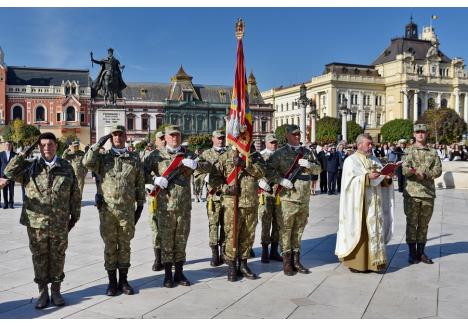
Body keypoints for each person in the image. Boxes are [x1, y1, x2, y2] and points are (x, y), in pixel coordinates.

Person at [0, 133, 81, 309]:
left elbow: (75, 194)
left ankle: (57, 291)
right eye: (42, 145)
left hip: (59, 222)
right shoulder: (29, 166)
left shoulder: (66, 166)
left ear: (56, 146)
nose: (46, 148)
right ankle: (43, 292)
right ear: (38, 147)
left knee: (58, 257)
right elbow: (8, 172)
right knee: (39, 258)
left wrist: (74, 217)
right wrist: (25, 152)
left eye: (50, 144)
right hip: (36, 224)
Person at [145, 125, 211, 287]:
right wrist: (153, 180)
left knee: (181, 239)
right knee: (166, 240)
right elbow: (141, 173)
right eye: (171, 135)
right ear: (165, 138)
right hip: (164, 206)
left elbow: (209, 167)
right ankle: (168, 274)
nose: (175, 138)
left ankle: (180, 273)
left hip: (183, 206)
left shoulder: (188, 154)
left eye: (177, 135)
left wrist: (196, 165)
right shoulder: (155, 155)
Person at [83, 125, 145, 296]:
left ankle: (124, 281)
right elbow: (87, 162)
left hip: (126, 210)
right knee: (110, 246)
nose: (117, 138)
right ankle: (111, 282)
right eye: (114, 135)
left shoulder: (134, 158)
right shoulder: (103, 158)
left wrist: (140, 205)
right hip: (108, 210)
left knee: (125, 245)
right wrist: (97, 145)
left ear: (125, 136)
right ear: (111, 138)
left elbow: (139, 182)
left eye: (120, 135)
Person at [335, 134, 394, 273]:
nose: (371, 146)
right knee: (360, 233)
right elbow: (349, 183)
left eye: (371, 144)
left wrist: (388, 177)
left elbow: (382, 179)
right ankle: (358, 264)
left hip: (375, 203)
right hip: (360, 205)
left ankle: (374, 263)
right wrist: (366, 177)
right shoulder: (351, 160)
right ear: (359, 144)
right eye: (368, 144)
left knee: (374, 233)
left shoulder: (374, 159)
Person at [268, 125, 322, 276]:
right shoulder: (279, 153)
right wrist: (281, 180)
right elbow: (268, 171)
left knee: (299, 230)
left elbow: (319, 169)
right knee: (286, 230)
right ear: (287, 136)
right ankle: (287, 262)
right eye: (295, 134)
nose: (298, 136)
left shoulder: (307, 152)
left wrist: (310, 165)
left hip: (304, 198)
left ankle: (297, 261)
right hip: (287, 199)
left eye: (299, 134)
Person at [210, 141, 266, 282]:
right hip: (231, 204)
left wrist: (245, 165)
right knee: (231, 235)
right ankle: (231, 265)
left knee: (248, 235)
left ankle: (243, 264)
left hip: (251, 203)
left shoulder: (255, 156)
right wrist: (226, 189)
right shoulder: (225, 157)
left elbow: (262, 173)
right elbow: (214, 179)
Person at [402, 124, 442, 264]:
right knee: (412, 223)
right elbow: (404, 169)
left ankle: (421, 253)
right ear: (414, 134)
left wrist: (425, 175)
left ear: (426, 134)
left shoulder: (433, 151)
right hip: (412, 193)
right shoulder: (408, 151)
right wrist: (413, 172)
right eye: (417, 132)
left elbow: (438, 170)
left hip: (428, 193)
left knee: (424, 224)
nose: (420, 135)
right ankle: (412, 253)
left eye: (423, 132)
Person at [195, 130, 227, 267]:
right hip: (213, 196)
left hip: (227, 196)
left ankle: (225, 252)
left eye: (222, 138)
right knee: (213, 225)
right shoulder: (206, 154)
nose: (221, 140)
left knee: (227, 225)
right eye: (218, 138)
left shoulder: (230, 152)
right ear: (213, 139)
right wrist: (204, 177)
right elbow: (197, 172)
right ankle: (214, 253)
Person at [258, 133, 283, 264]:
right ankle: (264, 251)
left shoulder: (280, 155)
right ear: (266, 143)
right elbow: (254, 172)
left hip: (279, 193)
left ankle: (274, 250)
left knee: (278, 222)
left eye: (275, 142)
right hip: (266, 194)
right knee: (266, 222)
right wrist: (259, 182)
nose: (274, 145)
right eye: (271, 142)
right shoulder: (260, 156)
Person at [0, 141, 17, 208]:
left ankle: (11, 204)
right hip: (3, 175)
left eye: (9, 145)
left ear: (11, 146)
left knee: (11, 190)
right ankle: (5, 204)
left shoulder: (15, 154)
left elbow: (17, 165)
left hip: (12, 175)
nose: (8, 146)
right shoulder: (1, 154)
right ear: (4, 146)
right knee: (4, 190)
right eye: (6, 145)